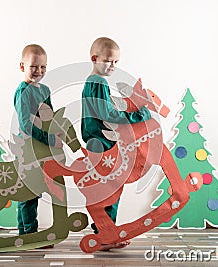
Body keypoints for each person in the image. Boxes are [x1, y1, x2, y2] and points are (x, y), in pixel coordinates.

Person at [81, 37, 152, 250]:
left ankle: (104, 228)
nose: (113, 66)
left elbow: (106, 108)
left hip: (96, 140)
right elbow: (107, 114)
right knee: (113, 186)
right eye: (109, 61)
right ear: (94, 58)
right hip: (102, 142)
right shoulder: (98, 82)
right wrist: (138, 116)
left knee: (107, 186)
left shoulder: (92, 82)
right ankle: (106, 232)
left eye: (116, 62)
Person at [14, 44, 62, 242]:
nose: (39, 71)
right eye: (34, 66)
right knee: (28, 192)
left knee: (39, 190)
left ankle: (27, 233)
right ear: (22, 66)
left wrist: (57, 133)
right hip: (28, 148)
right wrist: (48, 139)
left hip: (42, 148)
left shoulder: (45, 89)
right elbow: (26, 124)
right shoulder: (23, 91)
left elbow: (49, 117)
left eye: (43, 67)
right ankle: (27, 234)